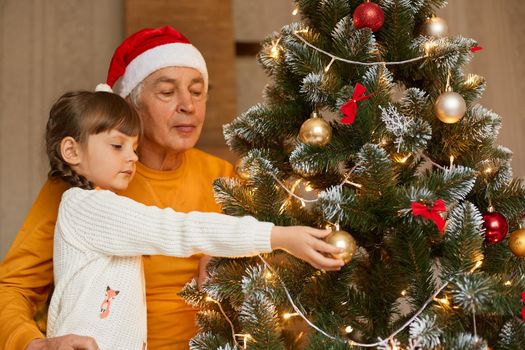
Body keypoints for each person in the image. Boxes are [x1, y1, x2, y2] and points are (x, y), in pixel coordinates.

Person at [0, 26, 336, 350]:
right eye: (166, 92)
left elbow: (288, 277)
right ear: (131, 105)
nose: (187, 105)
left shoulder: (226, 178)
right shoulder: (79, 188)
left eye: (197, 90)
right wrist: (31, 343)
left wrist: (226, 259)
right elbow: (12, 286)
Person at [43, 90, 343, 349]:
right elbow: (178, 229)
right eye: (117, 146)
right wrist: (279, 237)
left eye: (134, 148)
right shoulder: (87, 208)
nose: (133, 157)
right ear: (71, 150)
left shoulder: (97, 205)